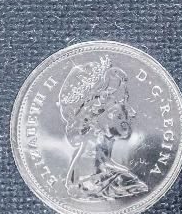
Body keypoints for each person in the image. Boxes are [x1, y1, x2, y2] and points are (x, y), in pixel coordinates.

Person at [57, 55, 147, 201]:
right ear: (93, 118)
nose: (131, 113)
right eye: (116, 107)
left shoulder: (117, 178)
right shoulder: (123, 181)